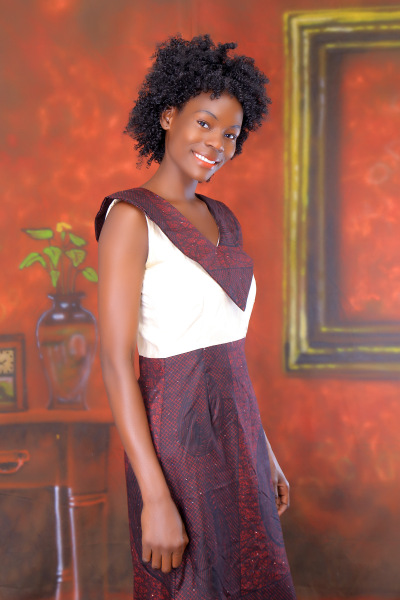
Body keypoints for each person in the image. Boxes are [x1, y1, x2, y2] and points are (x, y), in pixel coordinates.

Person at [95, 34, 297, 600]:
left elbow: (225, 350)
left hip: (241, 435)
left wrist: (264, 451)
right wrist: (155, 497)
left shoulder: (225, 219)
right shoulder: (130, 218)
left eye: (230, 134)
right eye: (204, 123)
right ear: (167, 116)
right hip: (177, 444)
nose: (216, 143)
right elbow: (115, 363)